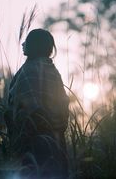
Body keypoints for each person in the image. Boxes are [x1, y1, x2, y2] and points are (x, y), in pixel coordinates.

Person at [5, 29, 69, 179]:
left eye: (26, 41)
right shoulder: (53, 71)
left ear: (34, 45)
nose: (23, 45)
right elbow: (63, 106)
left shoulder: (29, 70)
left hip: (34, 143)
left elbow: (25, 110)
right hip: (56, 143)